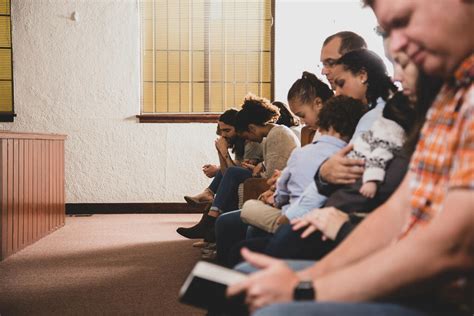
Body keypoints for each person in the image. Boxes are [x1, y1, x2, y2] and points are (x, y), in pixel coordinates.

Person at [227, 0, 474, 315]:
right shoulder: (450, 92)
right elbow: (400, 207)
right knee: (248, 278)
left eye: (404, 20)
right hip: (389, 249)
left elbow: (452, 248)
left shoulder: (407, 109)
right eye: (386, 31)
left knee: (273, 305)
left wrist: (304, 288)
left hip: (443, 292)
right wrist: (306, 277)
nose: (396, 45)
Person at [183, 109, 263, 206]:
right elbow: (227, 173)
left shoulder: (251, 144)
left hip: (255, 177)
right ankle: (209, 193)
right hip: (239, 174)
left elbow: (234, 174)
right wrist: (220, 151)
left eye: (227, 130)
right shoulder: (239, 143)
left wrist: (224, 152)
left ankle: (209, 195)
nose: (223, 135)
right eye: (221, 131)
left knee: (231, 171)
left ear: (238, 129)